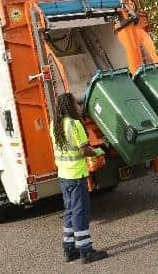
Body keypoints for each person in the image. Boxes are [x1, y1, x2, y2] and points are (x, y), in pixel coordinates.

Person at [50, 92, 109, 264]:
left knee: (69, 211)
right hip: (76, 176)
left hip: (64, 175)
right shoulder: (75, 124)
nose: (79, 106)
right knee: (80, 213)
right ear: (70, 106)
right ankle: (86, 251)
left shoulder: (54, 123)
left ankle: (69, 250)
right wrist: (98, 150)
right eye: (77, 104)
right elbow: (84, 150)